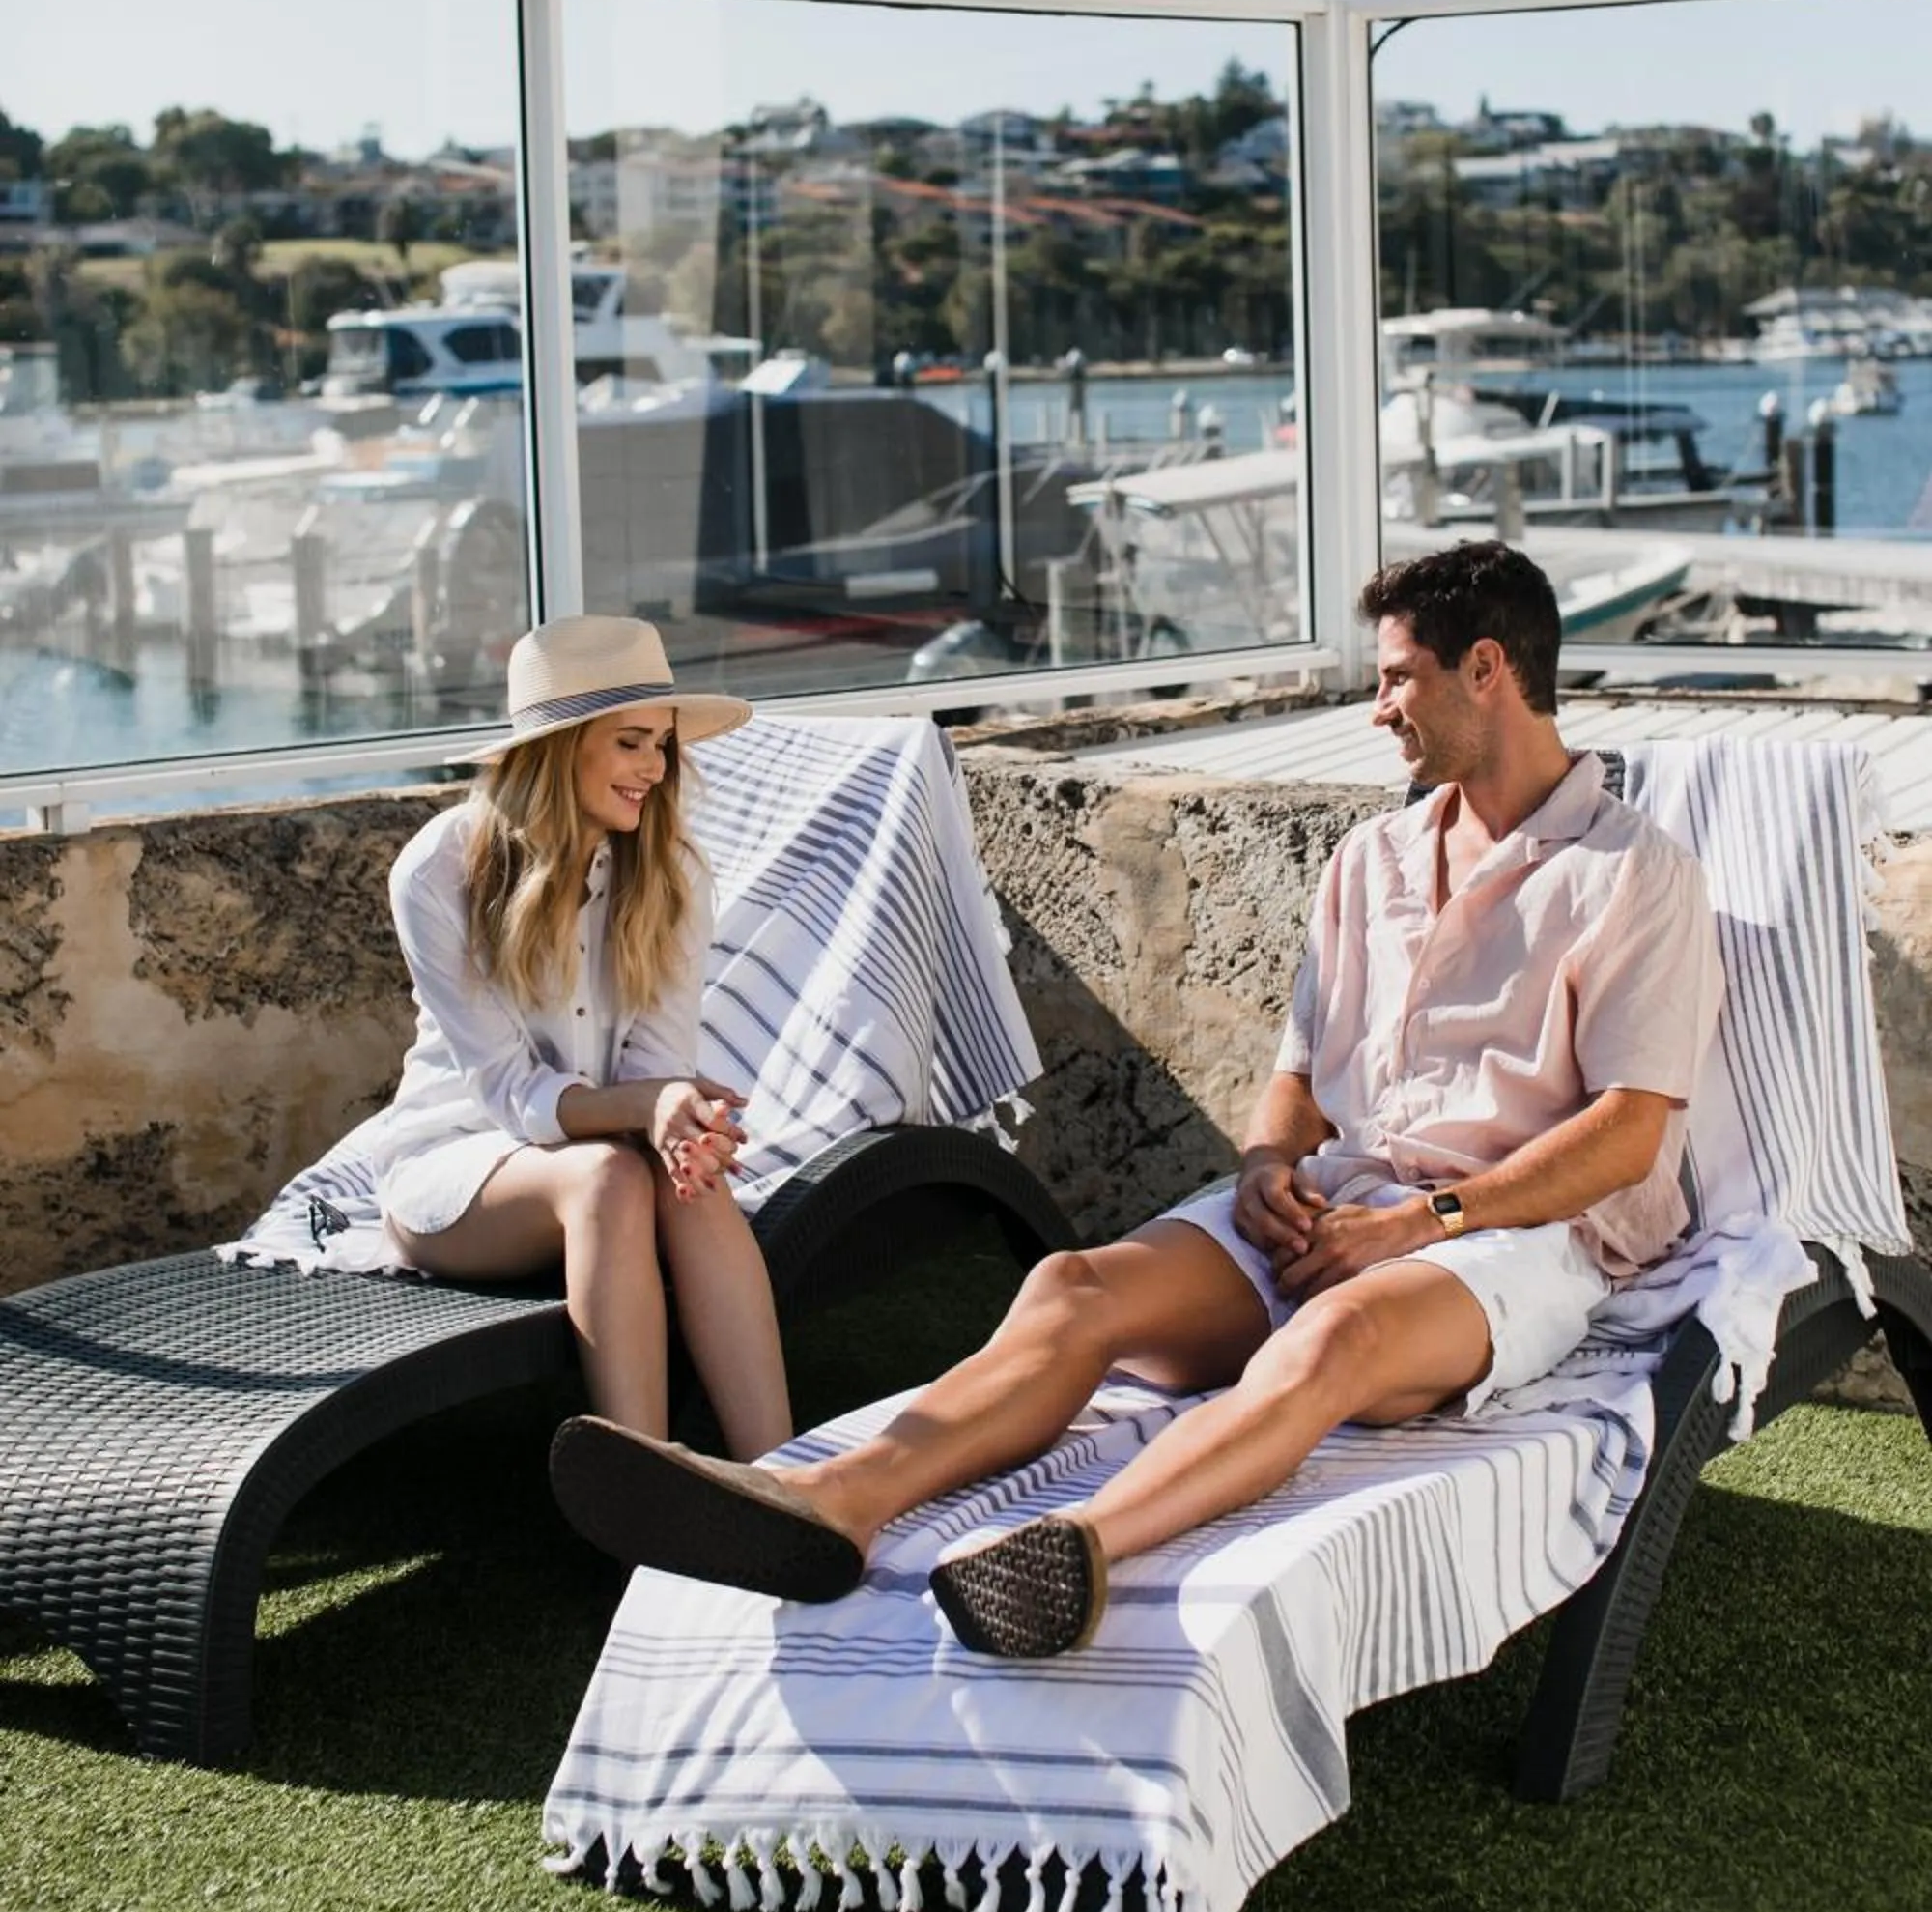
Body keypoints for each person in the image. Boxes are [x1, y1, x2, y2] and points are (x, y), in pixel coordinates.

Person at [549, 544, 1723, 1657]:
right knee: (1071, 1287)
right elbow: (1299, 1078)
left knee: (1337, 1338)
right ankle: (830, 1501)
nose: (1378, 710)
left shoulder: (1630, 872)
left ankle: (1075, 1550)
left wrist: (1422, 1223)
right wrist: (1266, 1168)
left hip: (1505, 1240)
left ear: (1487, 669)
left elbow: (1628, 1132)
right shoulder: (1372, 859)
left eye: (1396, 679)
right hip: (1333, 1207)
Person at [277, 614, 794, 1462]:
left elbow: (655, 1067)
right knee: (607, 1180)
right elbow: (513, 1096)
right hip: (456, 1173)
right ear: (562, 749)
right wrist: (656, 1105)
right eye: (633, 744)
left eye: (663, 746)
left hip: (606, 1150)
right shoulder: (440, 870)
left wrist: (678, 1122)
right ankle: (645, 1499)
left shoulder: (668, 874)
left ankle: (783, 1480)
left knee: (683, 1180)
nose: (655, 770)